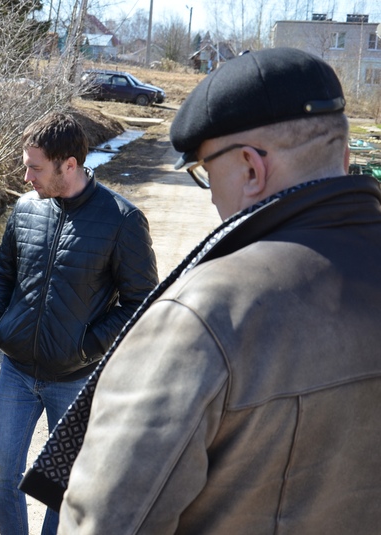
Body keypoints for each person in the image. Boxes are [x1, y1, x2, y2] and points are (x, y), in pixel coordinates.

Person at [21, 47, 381, 533]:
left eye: (206, 172)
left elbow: (109, 521)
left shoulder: (205, 313)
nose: (211, 194)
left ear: (251, 169)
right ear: (342, 155)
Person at [0, 111, 159, 535]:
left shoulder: (122, 220)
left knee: (63, 488)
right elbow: (4, 273)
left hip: (76, 382)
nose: (25, 177)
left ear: (70, 165)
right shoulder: (26, 209)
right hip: (17, 373)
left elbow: (142, 302)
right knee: (1, 476)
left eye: (35, 167)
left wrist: (86, 346)